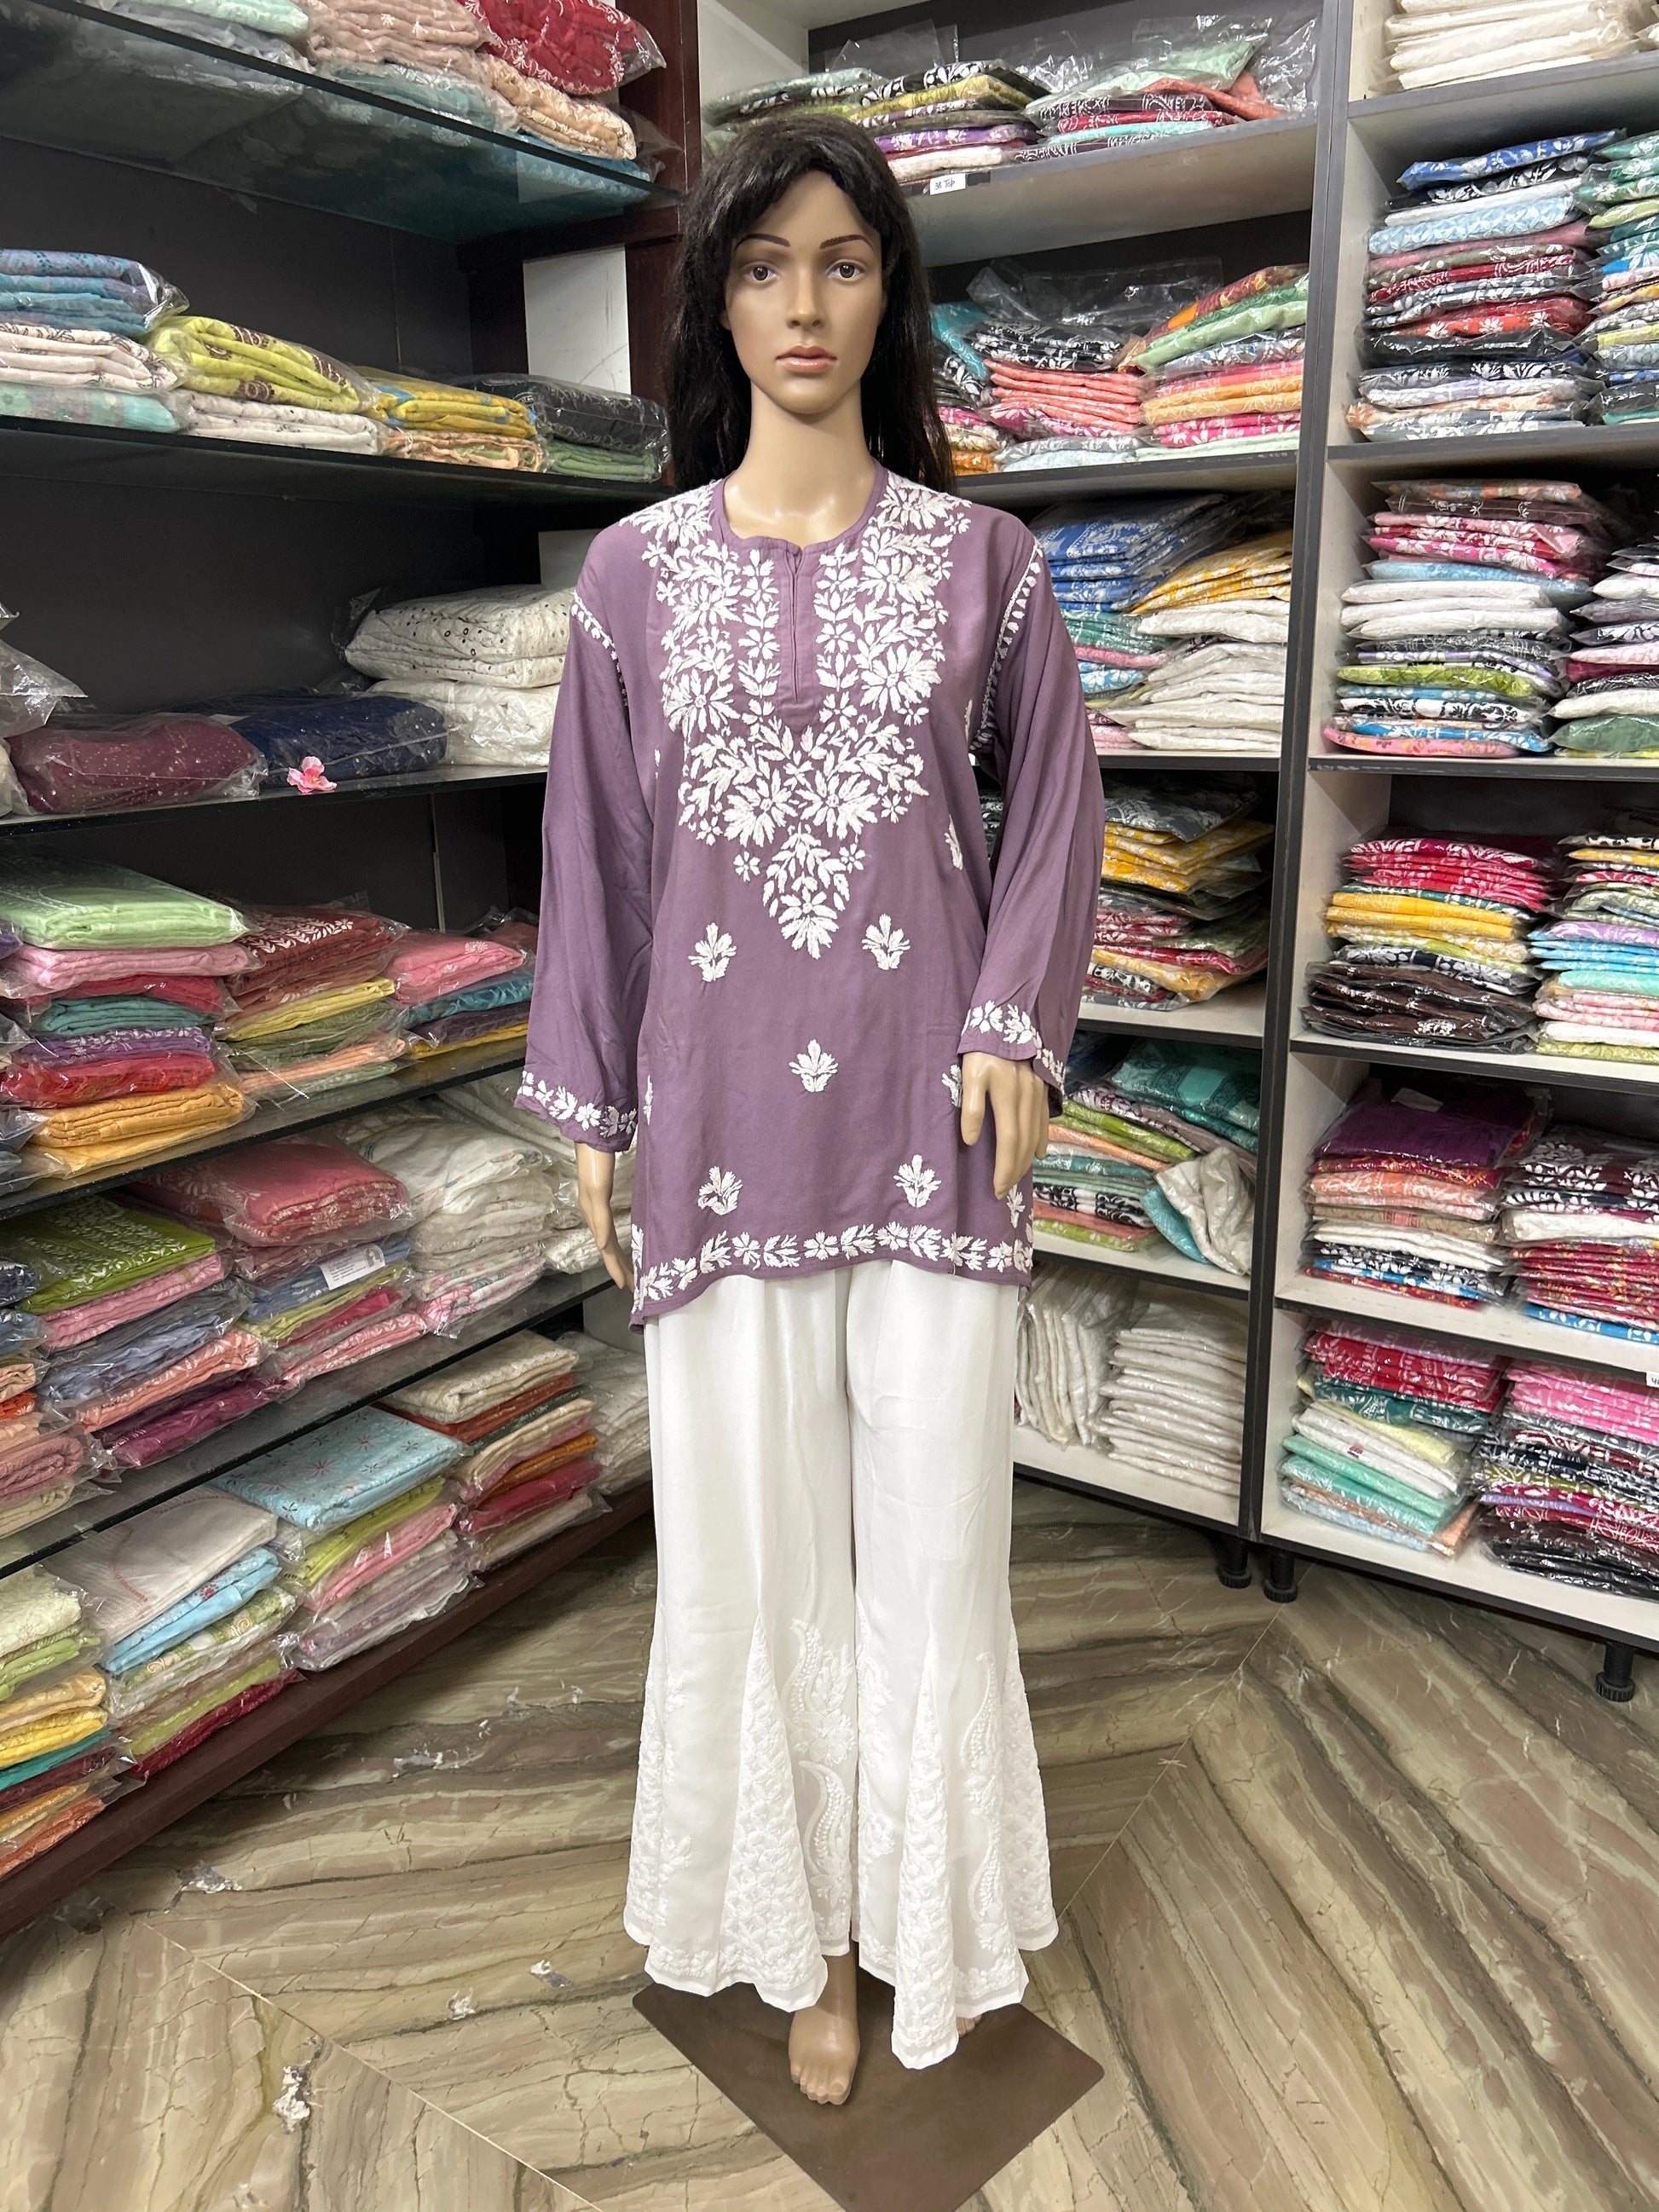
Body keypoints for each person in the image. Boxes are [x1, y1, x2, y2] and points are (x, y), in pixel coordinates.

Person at [519, 113, 1104, 2105]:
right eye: (764, 264)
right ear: (718, 297)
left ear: (889, 292)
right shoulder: (629, 580)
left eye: (843, 262)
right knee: (752, 1554)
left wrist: (1017, 1020)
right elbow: (593, 854)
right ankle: (796, 1942)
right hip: (708, 1131)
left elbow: (1058, 825)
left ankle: (902, 1922)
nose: (803, 303)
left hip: (935, 1126)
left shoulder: (986, 566)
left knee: (929, 1550)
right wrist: (587, 1103)